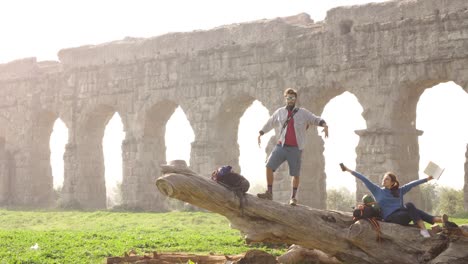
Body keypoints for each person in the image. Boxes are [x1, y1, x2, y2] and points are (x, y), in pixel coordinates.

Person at [257, 88, 329, 206]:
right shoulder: (279, 112)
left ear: (295, 99)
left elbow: (314, 119)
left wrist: (324, 125)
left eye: (293, 98)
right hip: (281, 145)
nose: (290, 100)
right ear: (285, 98)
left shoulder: (303, 112)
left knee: (295, 174)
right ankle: (269, 193)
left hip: (295, 148)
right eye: (288, 98)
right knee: (268, 166)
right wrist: (261, 132)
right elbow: (270, 123)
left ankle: (293, 197)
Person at [340, 163, 447, 238]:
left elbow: (414, 183)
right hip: (390, 218)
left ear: (392, 183)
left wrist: (428, 179)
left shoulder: (399, 191)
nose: (384, 180)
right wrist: (348, 170)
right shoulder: (377, 191)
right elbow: (363, 178)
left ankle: (441, 222)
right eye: (384, 178)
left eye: (386, 179)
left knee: (411, 207)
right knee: (412, 208)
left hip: (402, 216)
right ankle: (433, 224)